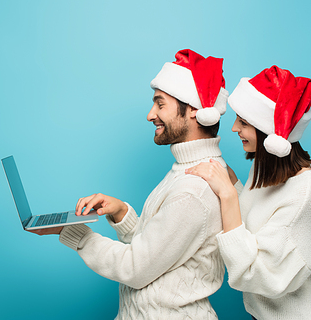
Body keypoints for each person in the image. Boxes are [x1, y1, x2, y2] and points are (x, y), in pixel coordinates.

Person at [31, 49, 232, 319]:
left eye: (160, 104)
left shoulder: (193, 189)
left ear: (195, 110)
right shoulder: (186, 171)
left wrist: (73, 233)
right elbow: (158, 250)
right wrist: (122, 213)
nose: (151, 115)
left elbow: (136, 269)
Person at [186, 66, 311, 319]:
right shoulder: (263, 170)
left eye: (244, 123)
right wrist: (232, 182)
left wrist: (228, 195)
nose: (234, 128)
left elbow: (253, 273)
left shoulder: (307, 192)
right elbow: (254, 224)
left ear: (270, 134)